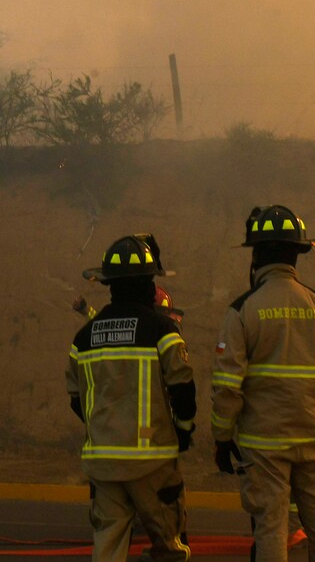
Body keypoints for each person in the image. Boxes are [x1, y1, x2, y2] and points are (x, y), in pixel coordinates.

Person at [210, 205, 315, 562]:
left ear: (256, 256)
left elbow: (227, 386)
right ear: (299, 252)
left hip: (264, 443)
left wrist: (222, 438)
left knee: (271, 526)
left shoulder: (242, 310)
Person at [65, 235, 195, 562]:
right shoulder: (162, 330)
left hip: (103, 461)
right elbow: (182, 388)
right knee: (169, 548)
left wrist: (103, 429)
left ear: (108, 283)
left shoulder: (84, 337)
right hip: (153, 460)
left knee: (107, 547)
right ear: (150, 283)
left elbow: (76, 399)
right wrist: (182, 430)